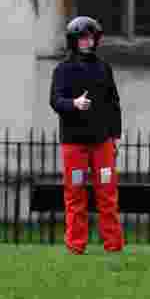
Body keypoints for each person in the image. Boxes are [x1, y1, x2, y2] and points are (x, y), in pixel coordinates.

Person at [49, 16, 124, 255]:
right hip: (75, 145)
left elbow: (114, 104)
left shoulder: (104, 68)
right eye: (82, 38)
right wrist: (74, 103)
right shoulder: (63, 69)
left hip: (102, 143)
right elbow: (55, 101)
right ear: (74, 41)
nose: (87, 42)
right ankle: (75, 245)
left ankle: (113, 245)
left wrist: (115, 137)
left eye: (91, 38)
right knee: (76, 195)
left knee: (107, 194)